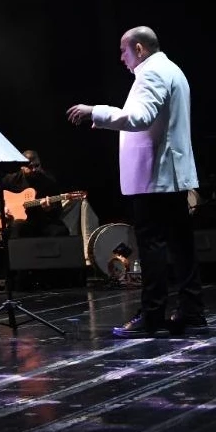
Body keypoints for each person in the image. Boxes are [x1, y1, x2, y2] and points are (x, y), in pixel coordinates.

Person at [68, 25, 203, 337]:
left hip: (155, 175)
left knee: (152, 245)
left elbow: (139, 118)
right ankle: (192, 311)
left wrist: (95, 112)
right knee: (181, 245)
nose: (121, 57)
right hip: (169, 174)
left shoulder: (151, 73)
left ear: (139, 49)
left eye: (123, 51)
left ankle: (153, 315)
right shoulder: (172, 69)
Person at [0, 149, 70, 239]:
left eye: (37, 165)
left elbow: (58, 211)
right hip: (21, 222)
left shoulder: (48, 181)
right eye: (30, 167)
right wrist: (2, 208)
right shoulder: (13, 179)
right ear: (22, 167)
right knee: (17, 228)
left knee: (61, 230)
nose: (34, 169)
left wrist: (48, 209)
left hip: (42, 221)